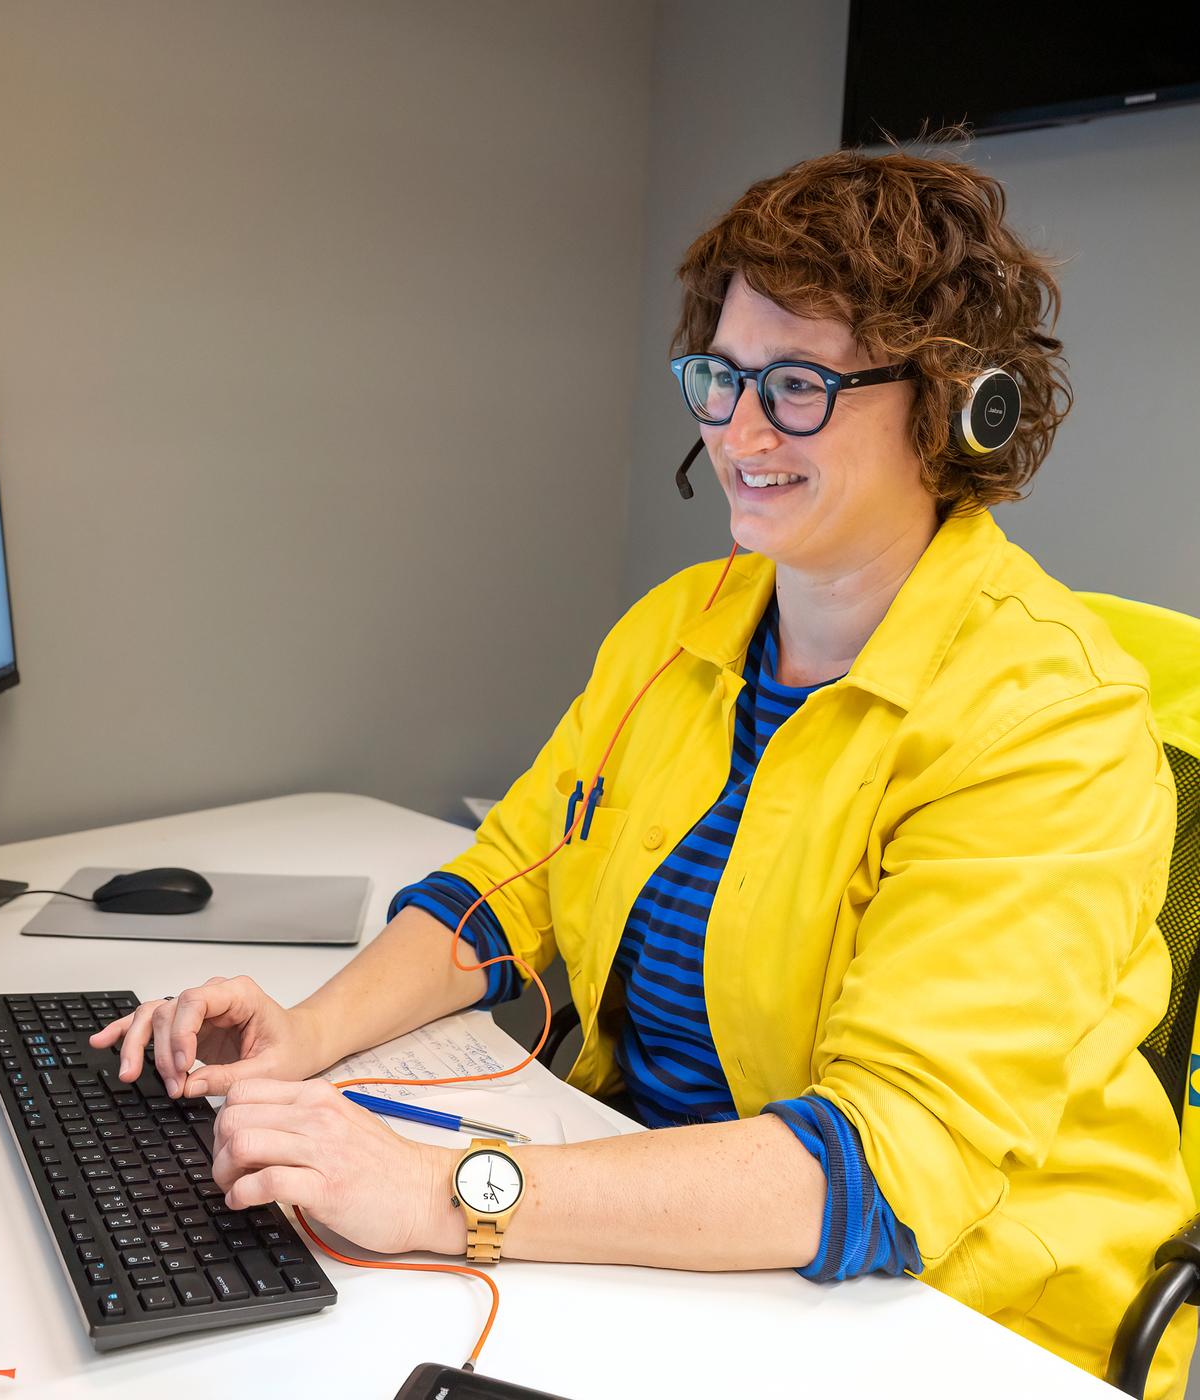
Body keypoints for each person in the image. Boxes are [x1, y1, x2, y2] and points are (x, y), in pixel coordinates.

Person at [92, 147, 1195, 1394]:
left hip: (946, 1311)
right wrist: (303, 1033)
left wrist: (451, 1190)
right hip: (678, 1235)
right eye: (719, 378)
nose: (737, 429)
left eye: (795, 385)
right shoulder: (682, 626)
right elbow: (508, 878)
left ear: (951, 406)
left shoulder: (1046, 719)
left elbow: (886, 1166)